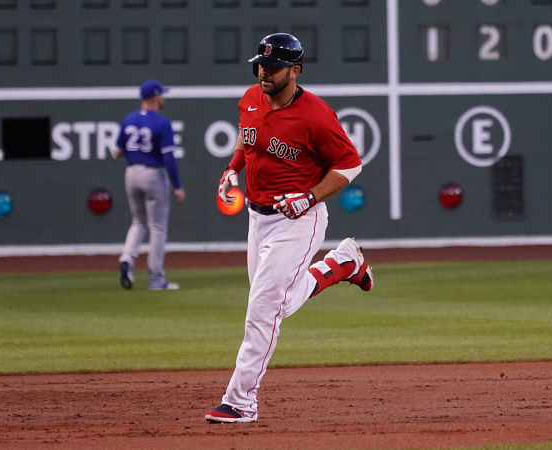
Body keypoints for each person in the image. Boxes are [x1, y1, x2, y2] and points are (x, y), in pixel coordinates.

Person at [205, 33, 374, 423]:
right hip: (257, 216)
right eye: (261, 64)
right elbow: (246, 140)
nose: (264, 71)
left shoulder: (315, 115)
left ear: (295, 71)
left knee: (262, 309)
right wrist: (232, 169)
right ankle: (343, 263)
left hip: (298, 220)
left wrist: (311, 197)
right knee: (276, 304)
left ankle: (241, 400)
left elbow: (350, 166)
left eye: (275, 66)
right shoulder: (250, 97)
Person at [113, 79, 186, 291]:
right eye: (161, 95)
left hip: (131, 173)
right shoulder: (162, 123)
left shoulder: (128, 120)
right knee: (158, 227)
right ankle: (155, 279)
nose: (163, 98)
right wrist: (178, 186)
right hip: (153, 174)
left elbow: (116, 151)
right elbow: (169, 157)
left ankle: (127, 257)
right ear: (155, 97)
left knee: (138, 222)